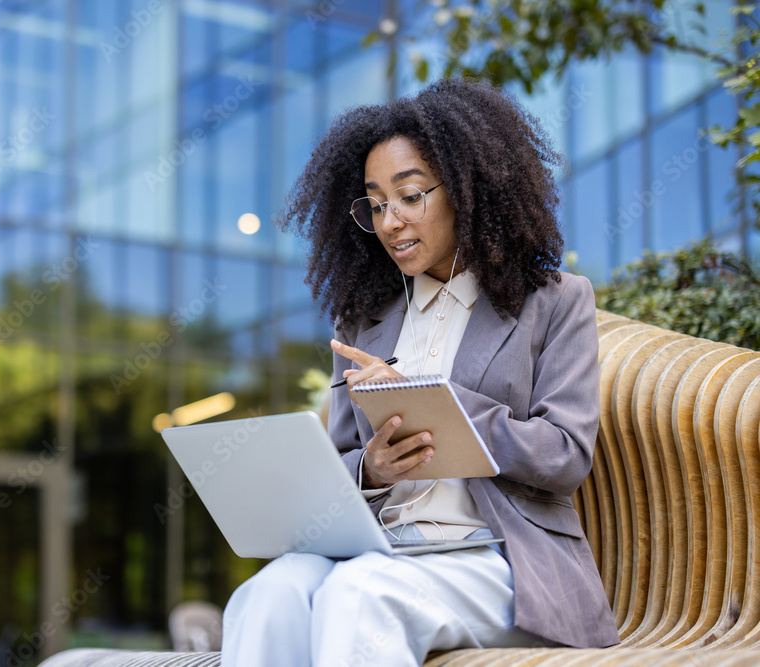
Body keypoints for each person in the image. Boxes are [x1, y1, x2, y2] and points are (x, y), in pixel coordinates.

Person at [220, 78, 620, 667]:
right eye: (376, 204)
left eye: (410, 196)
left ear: (466, 191)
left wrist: (436, 404)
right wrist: (372, 469)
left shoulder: (553, 302)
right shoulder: (364, 321)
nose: (389, 222)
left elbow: (564, 455)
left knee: (360, 598)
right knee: (267, 595)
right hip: (380, 550)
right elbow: (341, 462)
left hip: (496, 560)